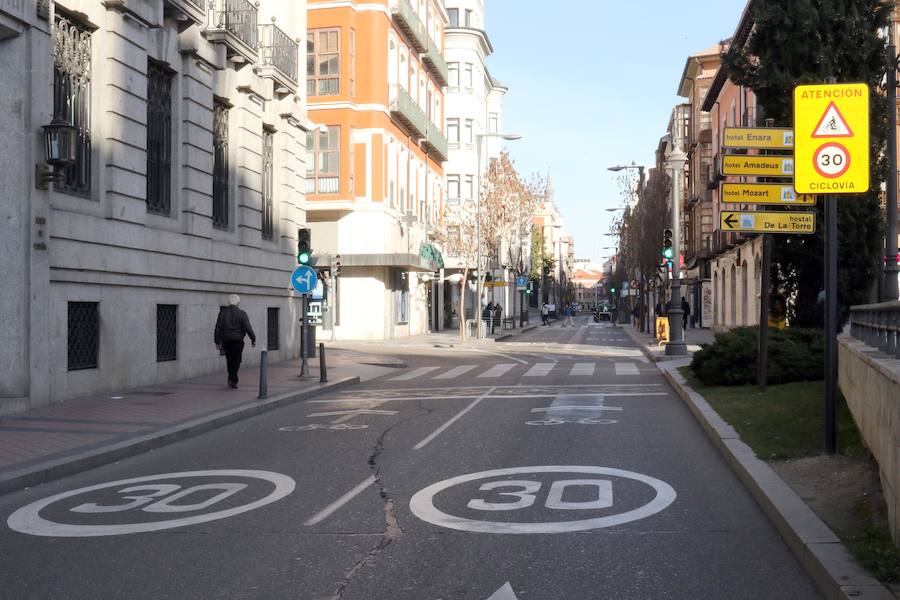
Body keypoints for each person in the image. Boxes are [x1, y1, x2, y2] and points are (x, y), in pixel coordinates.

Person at [215, 294, 256, 389]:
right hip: (238, 340)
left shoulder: (223, 313)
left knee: (229, 359)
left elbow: (217, 328)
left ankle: (231, 378)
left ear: (229, 302)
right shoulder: (242, 313)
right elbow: (248, 327)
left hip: (226, 340)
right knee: (237, 360)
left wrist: (217, 341)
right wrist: (253, 339)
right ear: (238, 303)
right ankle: (233, 379)